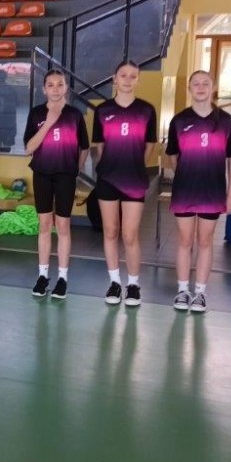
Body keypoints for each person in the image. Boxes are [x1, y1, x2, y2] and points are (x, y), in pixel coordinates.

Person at [166, 71, 231, 312]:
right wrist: (186, 174)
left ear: (213, 87)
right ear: (189, 88)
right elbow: (173, 157)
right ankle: (182, 290)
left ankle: (199, 293)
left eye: (205, 83)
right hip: (185, 190)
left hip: (213, 190)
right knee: (185, 240)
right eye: (196, 83)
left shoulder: (225, 121)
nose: (200, 87)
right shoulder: (179, 121)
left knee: (205, 241)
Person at [91, 60, 157, 306]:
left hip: (134, 179)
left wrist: (134, 165)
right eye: (123, 75)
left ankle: (133, 285)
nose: (128, 80)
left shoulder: (147, 110)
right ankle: (114, 283)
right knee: (110, 231)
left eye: (133, 76)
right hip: (108, 178)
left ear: (138, 80)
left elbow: (149, 145)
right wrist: (112, 165)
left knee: (130, 235)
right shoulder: (102, 110)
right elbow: (100, 146)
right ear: (114, 79)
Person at [24, 69, 89, 299]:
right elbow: (29, 148)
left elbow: (84, 147)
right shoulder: (36, 114)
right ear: (44, 89)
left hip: (65, 176)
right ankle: (42, 276)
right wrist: (48, 123)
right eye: (50, 85)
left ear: (66, 88)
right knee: (44, 225)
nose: (55, 89)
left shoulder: (75, 115)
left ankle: (62, 278)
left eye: (60, 84)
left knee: (63, 226)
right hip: (42, 174)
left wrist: (74, 169)